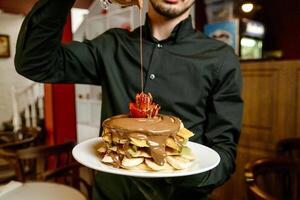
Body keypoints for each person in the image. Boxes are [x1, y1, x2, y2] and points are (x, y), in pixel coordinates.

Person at [15, 0, 243, 199]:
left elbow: (223, 153)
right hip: (110, 195)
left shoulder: (220, 59)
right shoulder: (111, 45)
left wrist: (178, 171)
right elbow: (34, 63)